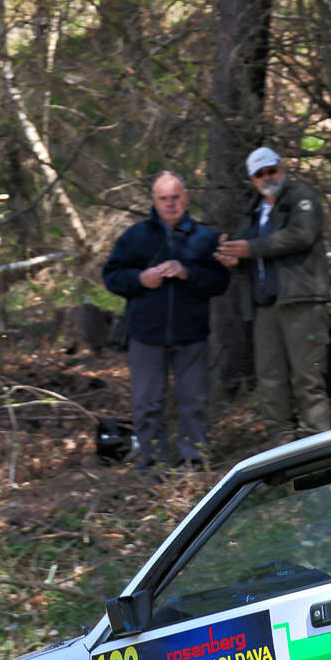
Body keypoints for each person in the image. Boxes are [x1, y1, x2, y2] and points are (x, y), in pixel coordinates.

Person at [103, 171, 229, 468]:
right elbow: (111, 276)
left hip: (192, 334)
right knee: (146, 403)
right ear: (154, 201)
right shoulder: (135, 236)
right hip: (146, 334)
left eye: (175, 198)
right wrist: (140, 279)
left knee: (194, 402)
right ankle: (154, 464)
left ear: (186, 198)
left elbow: (220, 282)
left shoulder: (203, 238)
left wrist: (188, 273)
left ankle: (193, 461)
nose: (170, 204)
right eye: (164, 199)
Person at [215, 147, 331, 439]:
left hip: (301, 301)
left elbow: (302, 235)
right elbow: (246, 252)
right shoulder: (254, 211)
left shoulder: (302, 197)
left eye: (272, 170)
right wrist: (233, 258)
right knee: (270, 379)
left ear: (282, 168)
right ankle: (281, 446)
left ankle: (319, 444)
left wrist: (251, 248)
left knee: (308, 377)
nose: (267, 177)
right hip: (265, 306)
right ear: (252, 179)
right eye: (260, 174)